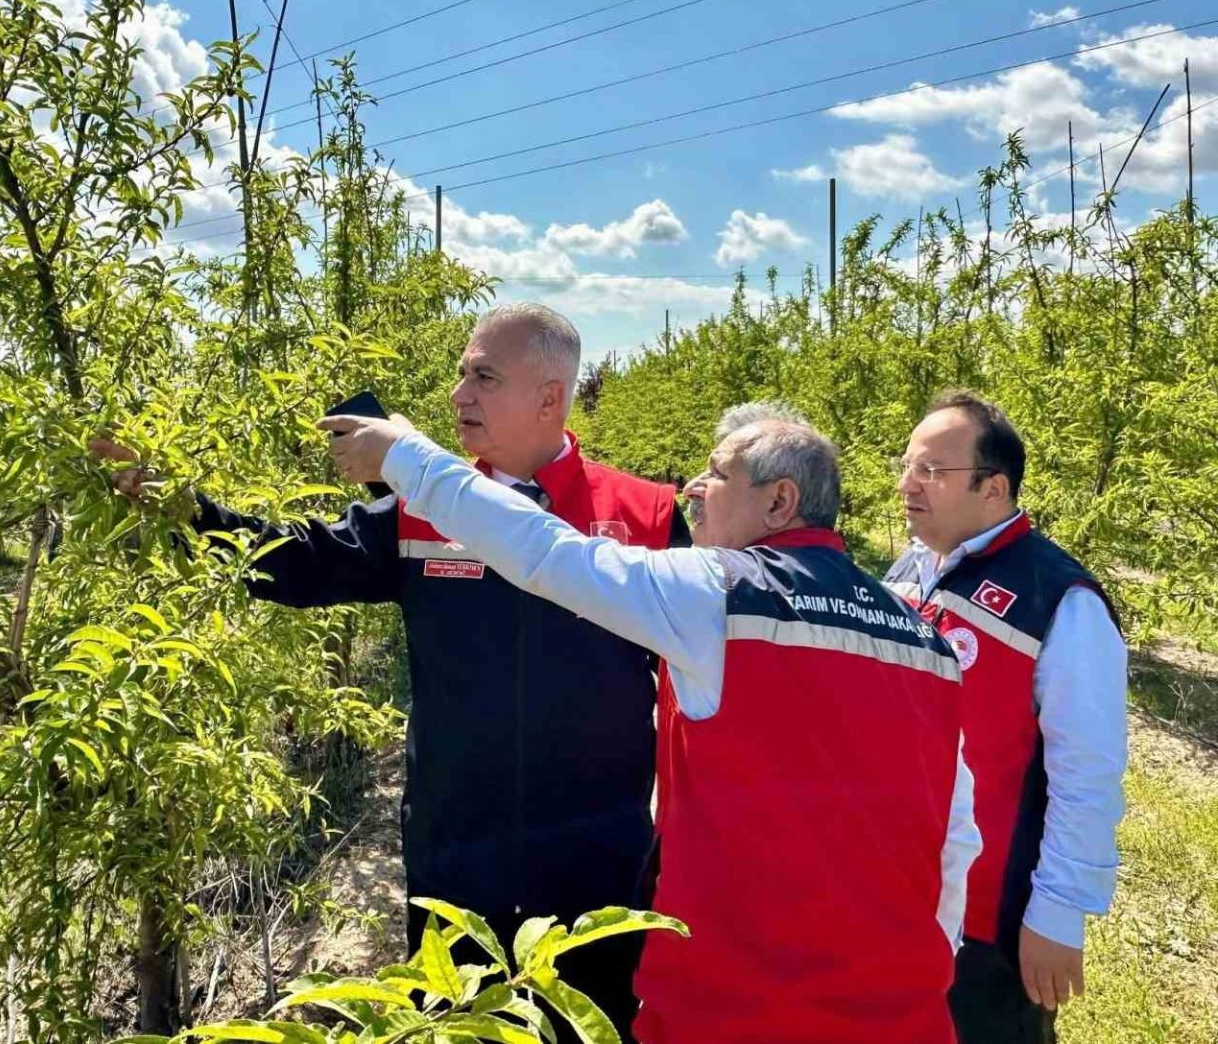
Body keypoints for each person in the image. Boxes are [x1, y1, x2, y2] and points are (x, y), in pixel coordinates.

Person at [93, 303, 689, 1040]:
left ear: (549, 397)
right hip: (457, 859)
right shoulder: (421, 511)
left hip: (596, 865)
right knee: (455, 1027)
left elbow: (699, 686)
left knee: (587, 1028)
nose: (458, 394)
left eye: (483, 376)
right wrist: (184, 509)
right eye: (461, 373)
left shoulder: (647, 517)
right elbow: (292, 562)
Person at [322, 401, 981, 1044]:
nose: (693, 488)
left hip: (735, 1008)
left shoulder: (719, 594)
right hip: (902, 1011)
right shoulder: (922, 638)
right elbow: (956, 842)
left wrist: (406, 457)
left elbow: (544, 552)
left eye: (718, 473)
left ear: (780, 502)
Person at [883, 391, 1127, 1044]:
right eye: (906, 466)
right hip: (898, 887)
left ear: (993, 488)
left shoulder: (1061, 599)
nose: (907, 485)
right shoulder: (908, 570)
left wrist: (1059, 913)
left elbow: (1088, 774)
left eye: (931, 470)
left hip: (989, 919)